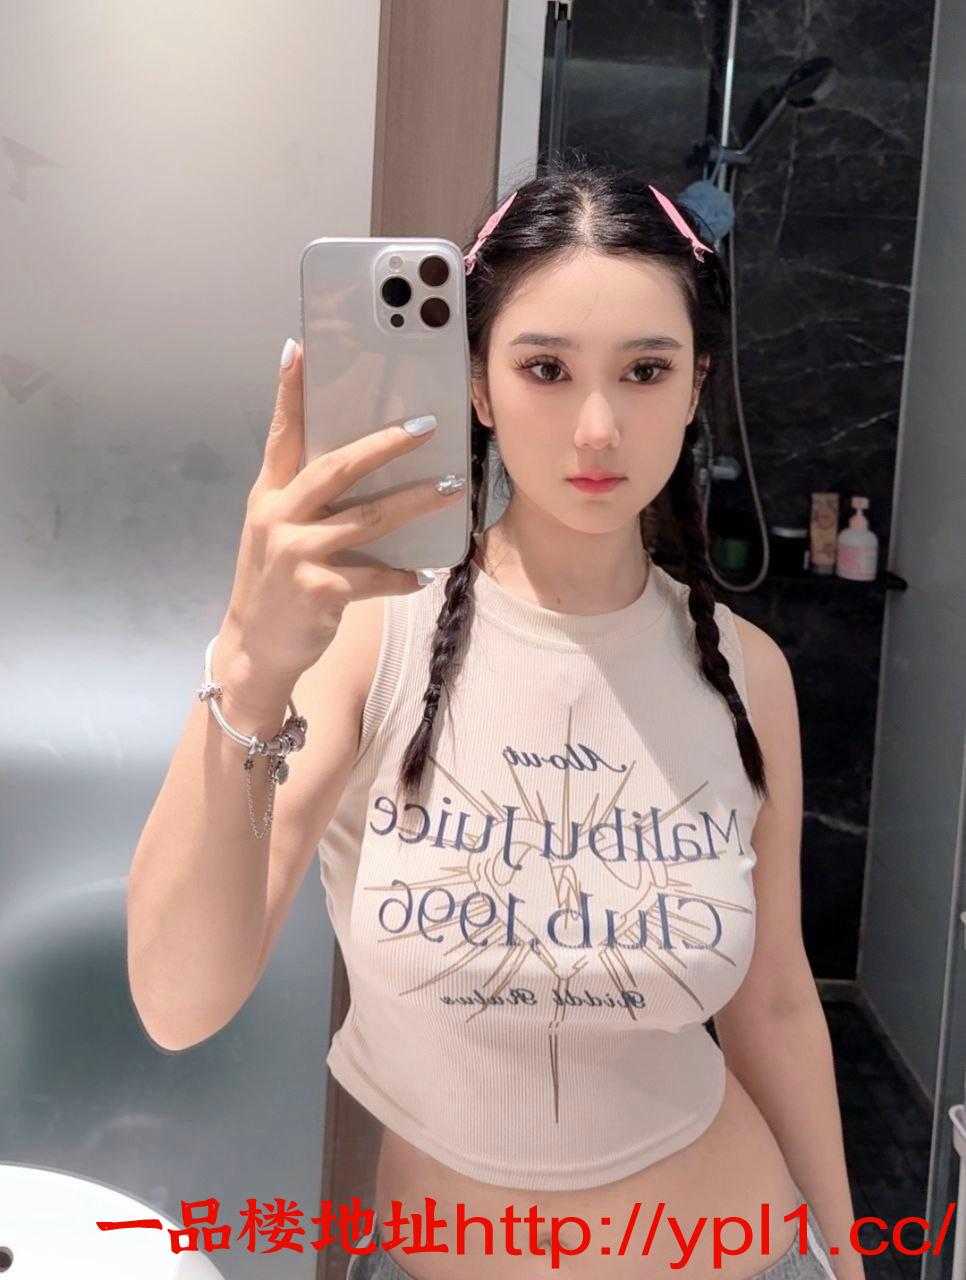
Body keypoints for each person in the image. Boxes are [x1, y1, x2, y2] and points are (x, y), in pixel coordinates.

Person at [127, 158, 861, 1280]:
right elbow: (178, 1003)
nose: (598, 427)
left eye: (646, 370)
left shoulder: (747, 676)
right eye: (545, 368)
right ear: (477, 383)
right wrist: (248, 660)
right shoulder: (374, 641)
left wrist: (848, 1259)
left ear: (695, 383)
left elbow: (774, 1002)